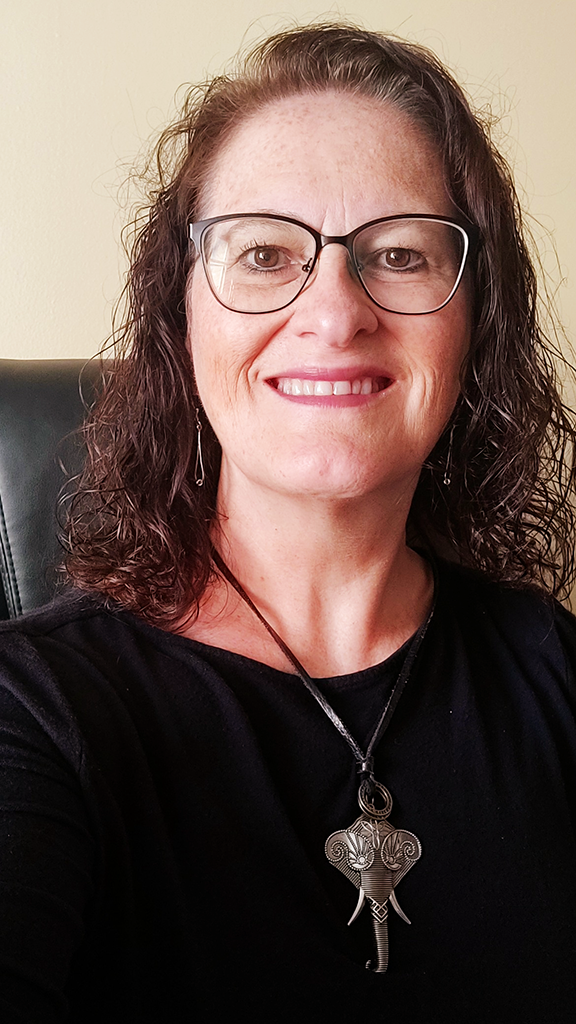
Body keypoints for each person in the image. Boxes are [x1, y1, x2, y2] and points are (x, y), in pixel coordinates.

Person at [1, 21, 575, 1024]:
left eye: (397, 253)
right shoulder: (33, 713)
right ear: (181, 317)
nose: (333, 308)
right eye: (266, 253)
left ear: (474, 320)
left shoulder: (555, 670)